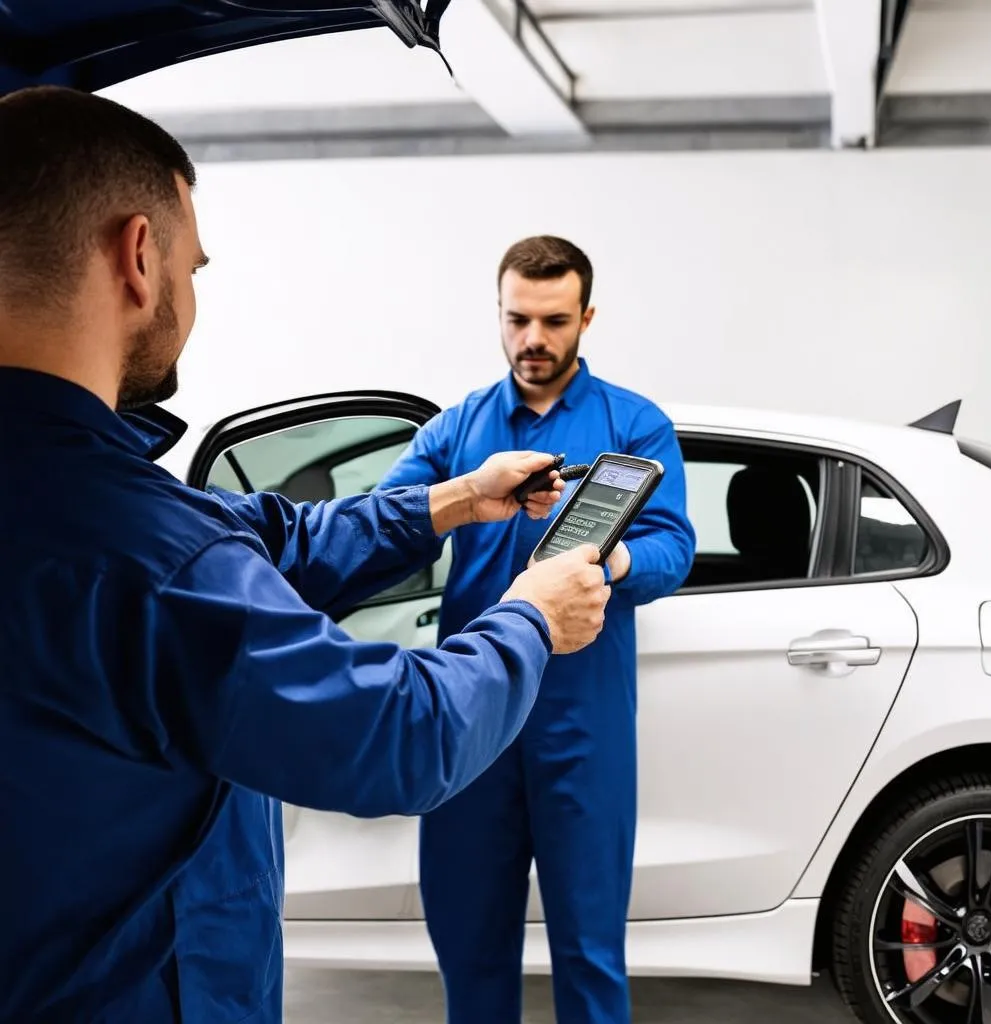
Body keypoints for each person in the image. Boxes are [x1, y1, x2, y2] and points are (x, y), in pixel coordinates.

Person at [0, 87, 613, 1024]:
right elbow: (403, 736)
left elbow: (263, 535)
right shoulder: (144, 549)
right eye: (193, 267)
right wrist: (534, 616)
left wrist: (452, 501)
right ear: (137, 257)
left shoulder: (93, 508)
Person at [377, 235, 697, 1023]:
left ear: (586, 317)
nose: (533, 340)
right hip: (474, 718)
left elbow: (675, 545)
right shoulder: (459, 430)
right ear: (498, 314)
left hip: (582, 723)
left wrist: (610, 562)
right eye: (518, 319)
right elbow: (387, 521)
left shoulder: (636, 424)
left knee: (589, 953)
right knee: (468, 948)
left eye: (554, 321)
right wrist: (454, 499)